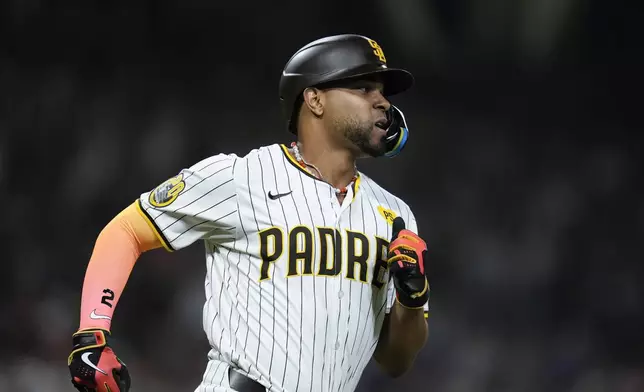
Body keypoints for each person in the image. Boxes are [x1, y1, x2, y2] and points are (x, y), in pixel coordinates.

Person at [67, 33, 431, 392]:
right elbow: (126, 231)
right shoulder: (242, 177)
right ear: (315, 99)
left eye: (382, 92)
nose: (382, 102)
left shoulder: (395, 216)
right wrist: (91, 334)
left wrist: (411, 297)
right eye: (364, 88)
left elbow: (395, 361)